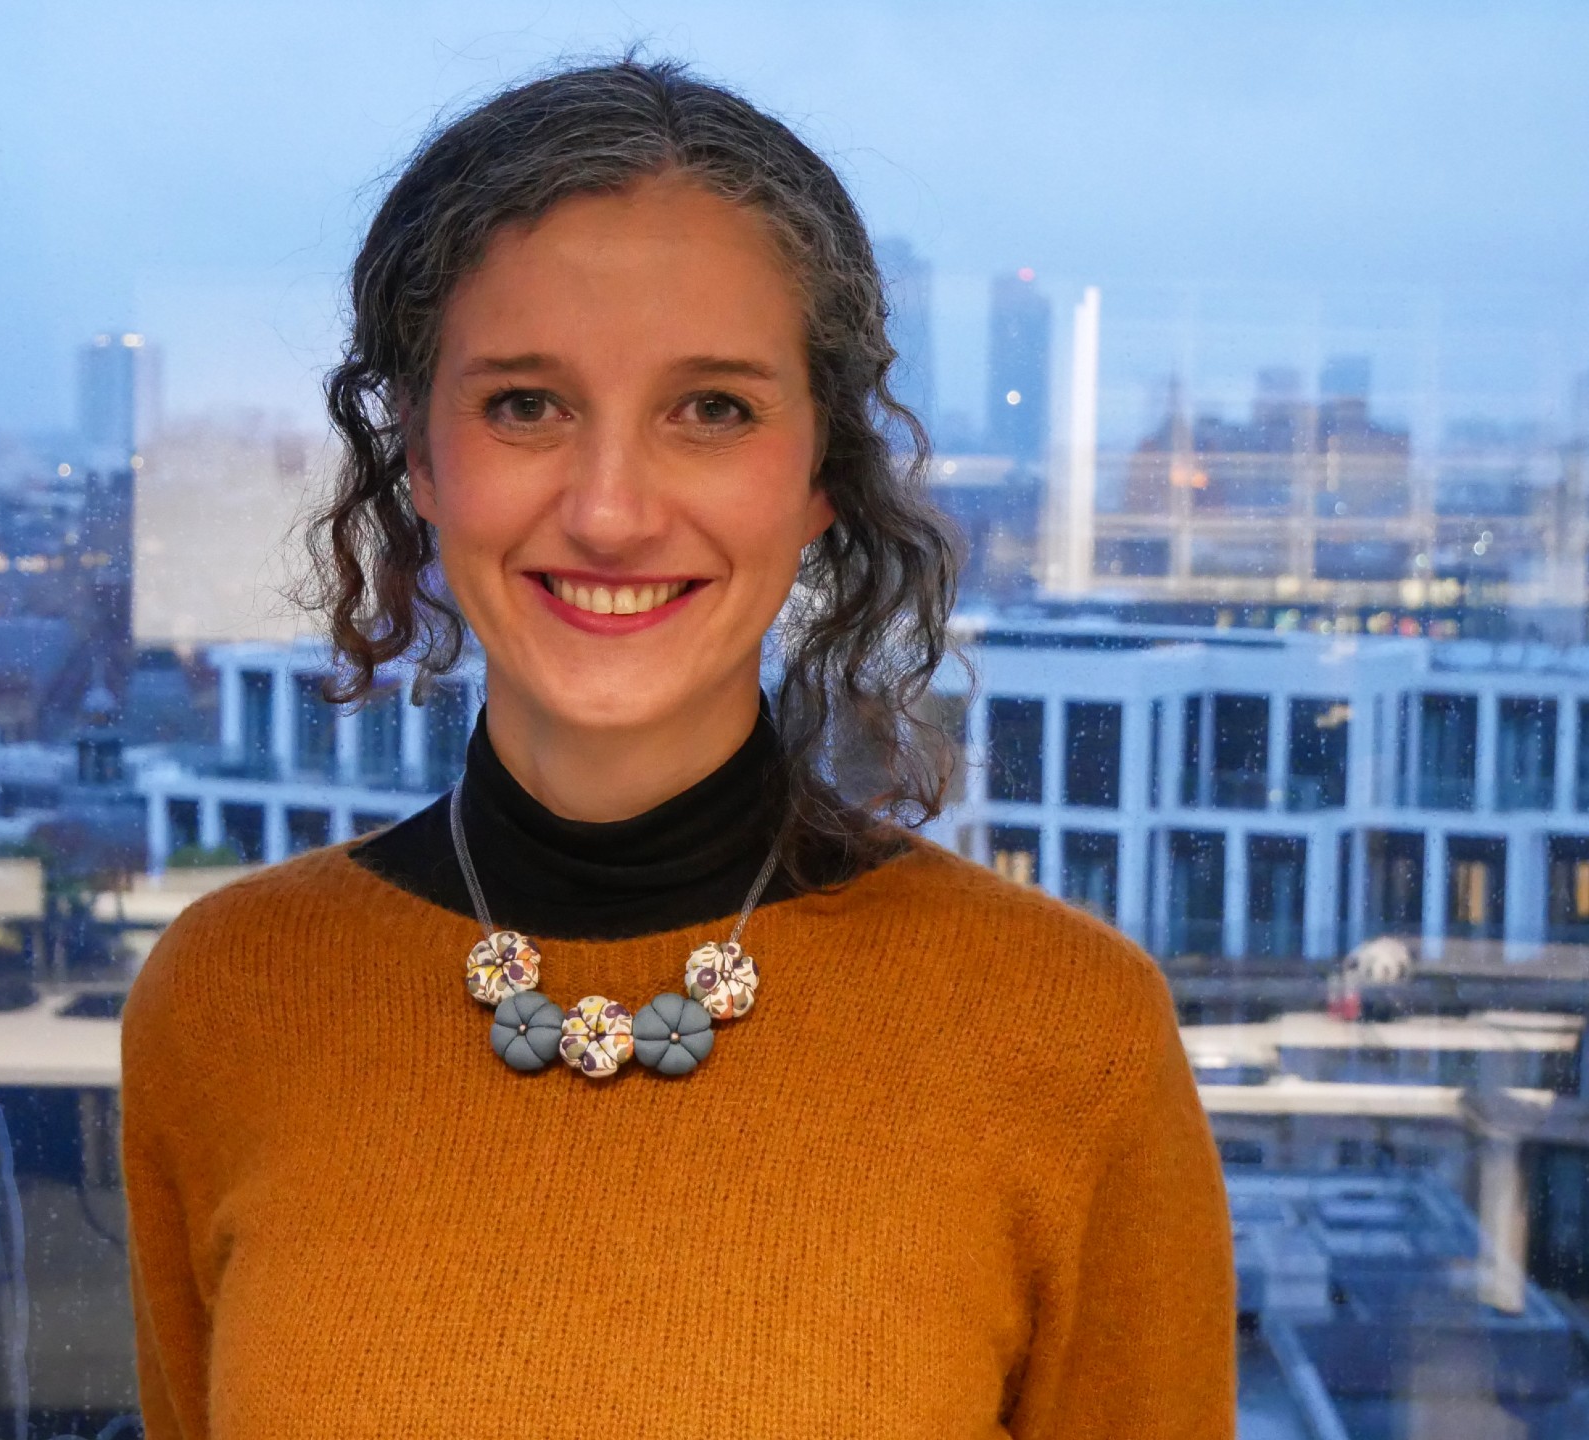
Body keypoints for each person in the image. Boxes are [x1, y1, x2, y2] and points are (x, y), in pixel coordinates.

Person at [121, 57, 1235, 1437]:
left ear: (821, 474)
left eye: (712, 409)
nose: (610, 512)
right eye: (524, 404)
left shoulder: (1068, 1035)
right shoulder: (227, 1002)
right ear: (419, 458)